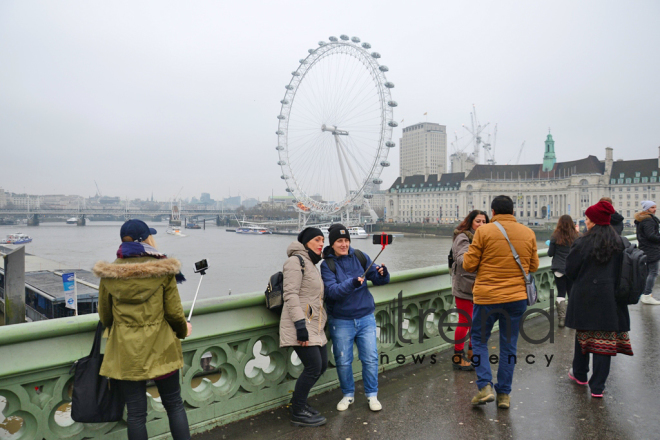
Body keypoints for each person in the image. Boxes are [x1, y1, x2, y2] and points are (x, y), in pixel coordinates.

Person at [93, 219, 191, 440]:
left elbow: (106, 317)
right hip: (162, 347)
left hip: (127, 352)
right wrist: (184, 330)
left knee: (136, 414)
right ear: (147, 240)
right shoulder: (163, 270)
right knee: (174, 405)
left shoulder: (109, 274)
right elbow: (174, 313)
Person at [463, 195, 539, 409]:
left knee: (478, 341)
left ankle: (485, 386)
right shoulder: (528, 232)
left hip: (487, 297)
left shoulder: (484, 232)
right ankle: (504, 395)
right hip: (516, 299)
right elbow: (533, 265)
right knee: (509, 345)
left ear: (493, 212)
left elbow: (469, 265)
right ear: (513, 212)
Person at [320, 224, 390, 412]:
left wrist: (383, 274)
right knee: (343, 360)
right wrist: (351, 283)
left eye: (346, 240)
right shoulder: (327, 265)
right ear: (332, 244)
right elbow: (332, 292)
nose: (344, 244)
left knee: (370, 358)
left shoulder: (360, 256)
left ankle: (372, 395)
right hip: (341, 320)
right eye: (339, 241)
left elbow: (378, 278)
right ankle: (348, 395)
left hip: (365, 317)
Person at [565, 200, 631, 397]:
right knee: (605, 341)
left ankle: (580, 374)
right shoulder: (620, 242)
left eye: (587, 218)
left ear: (593, 221)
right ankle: (598, 387)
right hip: (611, 298)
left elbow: (570, 270)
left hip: (586, 297)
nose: (585, 222)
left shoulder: (582, 242)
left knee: (583, 336)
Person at [279, 227, 328, 427]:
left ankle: (300, 404)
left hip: (316, 325)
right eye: (317, 239)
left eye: (323, 240)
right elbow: (290, 295)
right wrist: (300, 325)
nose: (321, 243)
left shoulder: (312, 263)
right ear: (306, 242)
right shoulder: (295, 262)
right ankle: (297, 410)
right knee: (313, 366)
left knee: (322, 365)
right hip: (301, 325)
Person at [450, 210, 489, 370]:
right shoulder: (463, 237)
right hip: (465, 286)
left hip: (479, 285)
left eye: (484, 221)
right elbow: (461, 259)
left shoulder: (485, 237)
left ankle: (472, 353)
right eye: (478, 221)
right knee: (465, 321)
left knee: (477, 322)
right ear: (470, 222)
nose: (481, 224)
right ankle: (457, 357)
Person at [548, 215, 579, 327]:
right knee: (571, 293)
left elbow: (550, 253)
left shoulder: (555, 236)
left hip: (559, 268)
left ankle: (562, 319)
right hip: (572, 268)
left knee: (561, 293)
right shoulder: (576, 236)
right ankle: (573, 318)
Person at [635, 200, 660, 305]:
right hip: (651, 249)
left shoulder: (642, 219)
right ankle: (647, 294)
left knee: (647, 272)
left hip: (645, 248)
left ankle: (644, 294)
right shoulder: (648, 220)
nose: (655, 209)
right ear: (647, 209)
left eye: (655, 207)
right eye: (652, 207)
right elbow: (651, 235)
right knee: (653, 272)